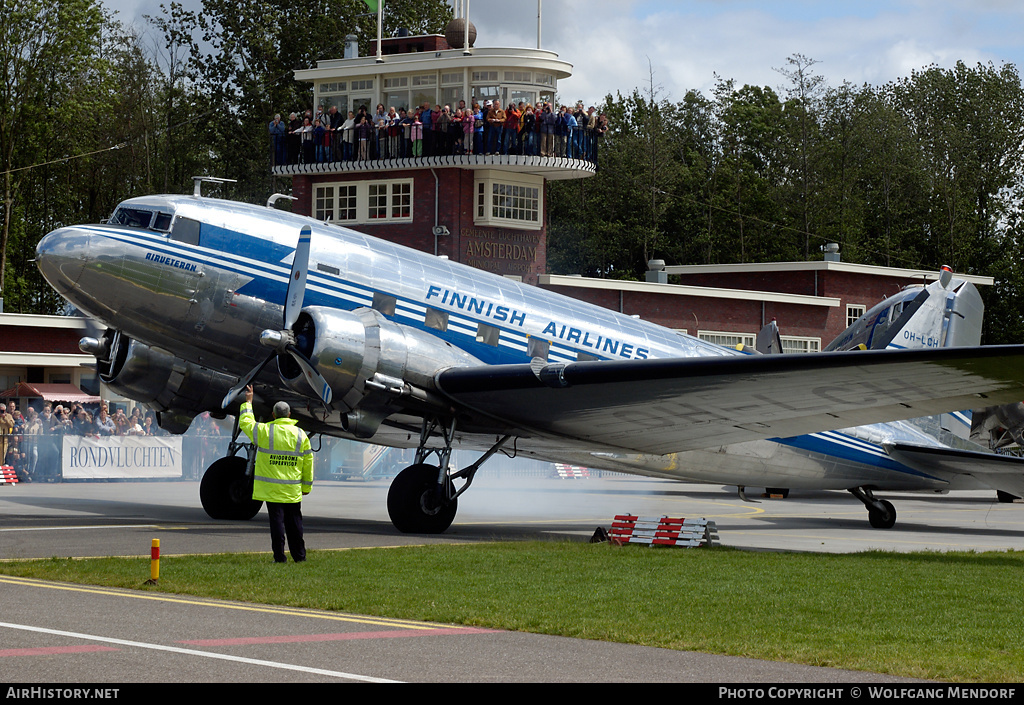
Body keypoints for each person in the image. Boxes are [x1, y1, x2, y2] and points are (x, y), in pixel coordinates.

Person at [239, 385, 312, 563]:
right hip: (292, 491)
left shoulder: (264, 431)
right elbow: (308, 463)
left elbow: (246, 422)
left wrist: (248, 402)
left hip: (272, 490)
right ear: (289, 415)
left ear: (273, 415)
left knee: (277, 525)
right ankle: (300, 557)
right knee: (295, 525)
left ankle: (279, 557)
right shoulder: (301, 435)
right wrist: (306, 487)